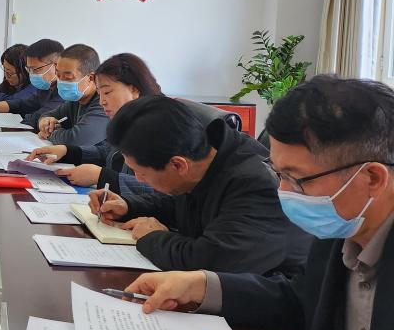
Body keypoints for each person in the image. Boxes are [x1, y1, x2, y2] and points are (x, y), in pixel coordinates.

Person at [126, 76, 394, 330]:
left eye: (296, 179)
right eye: (279, 174)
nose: (283, 192)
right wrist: (202, 285)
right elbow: (301, 302)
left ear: (372, 178)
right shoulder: (345, 225)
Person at [92, 94, 309, 275]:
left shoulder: (254, 186)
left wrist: (152, 238)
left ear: (178, 165)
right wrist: (129, 207)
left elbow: (208, 262)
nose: (139, 179)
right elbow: (178, 204)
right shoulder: (205, 158)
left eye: (141, 173)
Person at [28, 53, 161, 195]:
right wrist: (68, 152)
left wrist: (101, 176)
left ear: (134, 89)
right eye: (100, 93)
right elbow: (108, 153)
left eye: (107, 92)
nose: (102, 101)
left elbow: (163, 190)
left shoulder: (160, 125)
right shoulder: (127, 120)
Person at [0, 39, 64, 128]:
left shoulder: (65, 91)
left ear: (56, 66)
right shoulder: (45, 87)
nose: (32, 74)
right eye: (29, 69)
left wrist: (17, 123)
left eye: (35, 69)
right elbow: (22, 104)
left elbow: (39, 117)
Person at [34, 43, 109, 146]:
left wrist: (49, 134)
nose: (60, 82)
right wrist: (44, 122)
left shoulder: (103, 102)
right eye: (58, 75)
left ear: (91, 78)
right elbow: (47, 115)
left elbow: (75, 140)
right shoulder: (76, 100)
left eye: (68, 78)